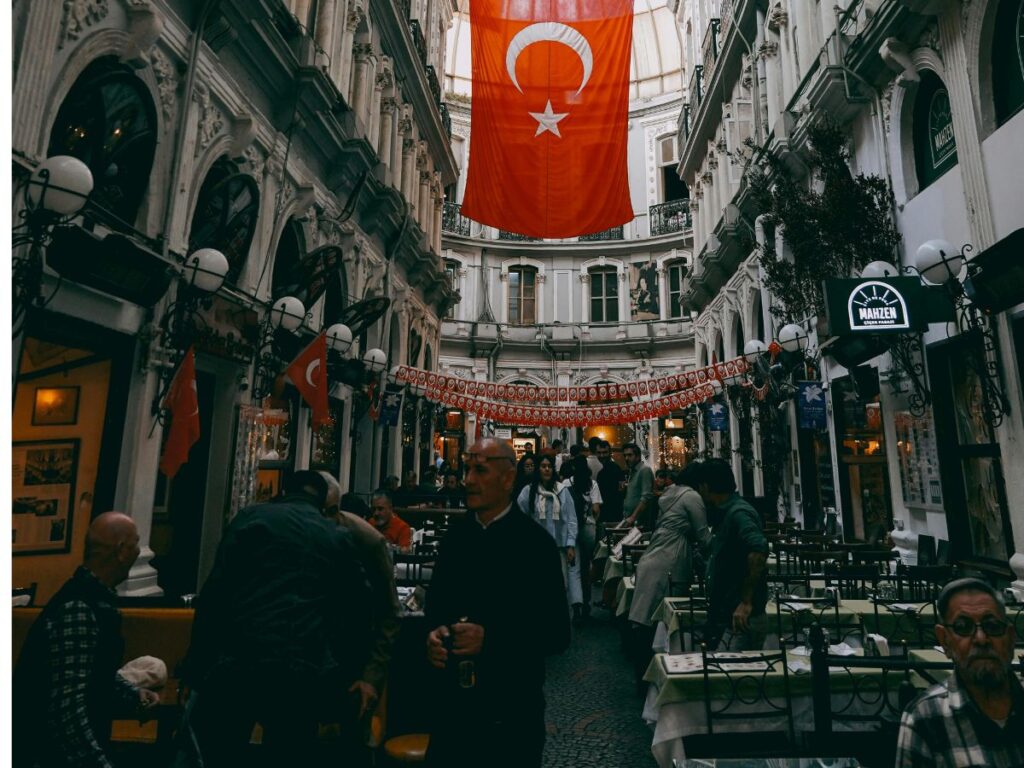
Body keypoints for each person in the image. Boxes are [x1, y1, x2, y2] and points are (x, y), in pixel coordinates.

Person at [183, 471, 368, 767]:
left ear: (282, 491)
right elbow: (357, 606)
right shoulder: (335, 536)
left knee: (222, 751)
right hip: (300, 667)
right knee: (289, 751)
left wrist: (196, 666)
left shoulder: (249, 519)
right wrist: (350, 669)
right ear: (323, 503)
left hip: (238, 659)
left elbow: (216, 594)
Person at [424, 438, 570, 767]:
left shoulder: (535, 545)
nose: (468, 480)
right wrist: (432, 635)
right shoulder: (456, 538)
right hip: (454, 710)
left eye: (480, 470)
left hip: (510, 710)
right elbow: (435, 607)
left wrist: (491, 639)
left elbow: (557, 633)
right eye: (467, 470)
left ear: (507, 479)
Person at [14, 512, 157, 768]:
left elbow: (92, 673)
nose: (139, 552)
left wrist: (132, 695)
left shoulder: (91, 599)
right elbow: (68, 711)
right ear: (122, 551)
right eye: (136, 544)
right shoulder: (80, 608)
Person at [895, 578, 1024, 767]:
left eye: (992, 626)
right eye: (963, 627)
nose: (981, 639)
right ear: (945, 641)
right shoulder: (926, 718)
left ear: (1011, 638)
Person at [319, 473, 401, 726]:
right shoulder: (290, 535)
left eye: (330, 511)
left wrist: (371, 676)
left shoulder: (366, 540)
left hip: (350, 662)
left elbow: (389, 613)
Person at [628, 463, 711, 680]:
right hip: (672, 559)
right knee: (670, 618)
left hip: (652, 556)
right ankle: (664, 673)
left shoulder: (669, 493)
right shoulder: (692, 497)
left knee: (645, 621)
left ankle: (642, 673)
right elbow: (703, 536)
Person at [698, 459, 768, 651]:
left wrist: (746, 602)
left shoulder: (738, 513)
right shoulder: (726, 512)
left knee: (734, 676)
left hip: (741, 617)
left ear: (706, 486)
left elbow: (758, 549)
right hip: (727, 613)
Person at [518, 454, 580, 617]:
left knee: (560, 585)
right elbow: (519, 517)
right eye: (543, 466)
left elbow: (571, 519)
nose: (546, 469)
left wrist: (571, 544)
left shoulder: (562, 491)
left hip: (559, 546)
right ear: (539, 469)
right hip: (536, 547)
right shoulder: (528, 491)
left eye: (549, 466)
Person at [566, 455, 602, 623]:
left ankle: (576, 607)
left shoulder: (566, 484)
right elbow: (596, 509)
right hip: (588, 528)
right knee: (586, 567)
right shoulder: (592, 484)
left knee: (574, 569)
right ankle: (586, 605)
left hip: (570, 528)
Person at [621, 442, 656, 530]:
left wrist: (633, 517)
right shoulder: (632, 471)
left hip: (639, 522)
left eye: (629, 455)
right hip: (631, 521)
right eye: (625, 455)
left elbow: (646, 497)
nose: (626, 458)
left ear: (638, 456)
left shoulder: (644, 470)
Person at [595, 440, 626, 525]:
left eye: (604, 452)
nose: (602, 455)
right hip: (610, 513)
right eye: (599, 453)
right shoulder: (604, 471)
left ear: (610, 453)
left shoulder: (615, 469)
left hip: (612, 515)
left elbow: (622, 491)